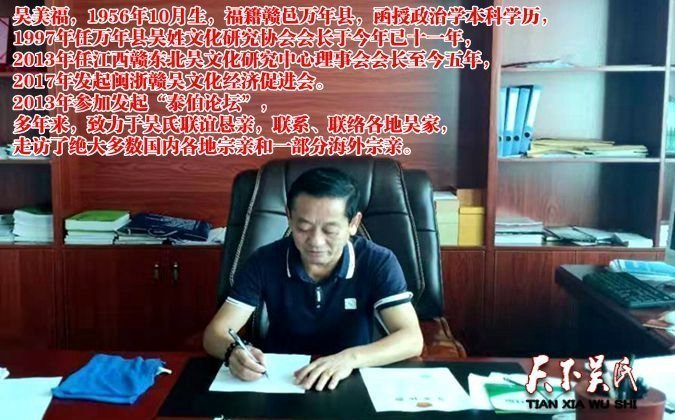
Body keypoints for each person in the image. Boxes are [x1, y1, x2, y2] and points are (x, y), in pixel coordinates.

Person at [203, 167, 423, 391]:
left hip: (351, 378)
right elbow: (215, 334)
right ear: (289, 218)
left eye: (330, 230)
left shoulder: (377, 261)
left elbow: (412, 339)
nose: (316, 241)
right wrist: (233, 352)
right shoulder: (264, 260)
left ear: (353, 223)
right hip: (280, 380)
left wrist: (349, 359)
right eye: (303, 228)